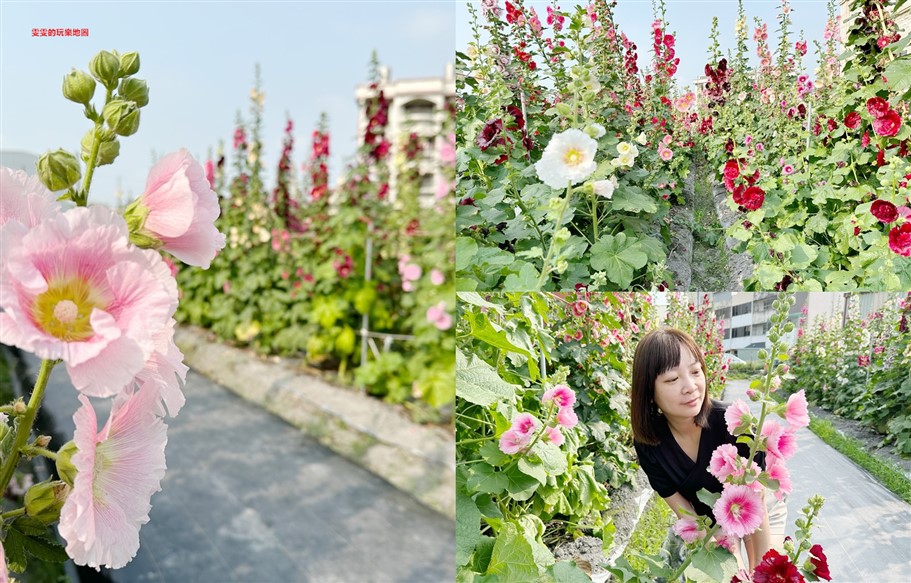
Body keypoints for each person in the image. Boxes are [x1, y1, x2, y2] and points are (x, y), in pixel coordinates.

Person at [630, 327, 785, 571]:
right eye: (672, 379)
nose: (690, 386)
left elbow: (758, 504)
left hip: (758, 513)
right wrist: (731, 568)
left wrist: (761, 570)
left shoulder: (733, 423)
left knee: (765, 570)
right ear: (649, 392)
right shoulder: (649, 444)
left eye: (695, 371)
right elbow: (687, 513)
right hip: (711, 522)